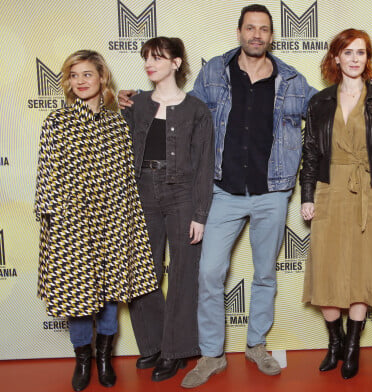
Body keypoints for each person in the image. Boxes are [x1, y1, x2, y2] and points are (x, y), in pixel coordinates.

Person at [119, 4, 316, 388]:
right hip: (222, 190)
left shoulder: (292, 80)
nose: (256, 35)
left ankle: (257, 345)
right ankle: (211, 354)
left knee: (264, 275)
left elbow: (325, 107)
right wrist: (136, 97)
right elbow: (180, 107)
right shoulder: (214, 72)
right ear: (239, 32)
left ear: (271, 36)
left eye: (263, 29)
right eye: (249, 28)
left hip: (272, 192)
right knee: (208, 274)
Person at [34, 50, 158, 391]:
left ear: (101, 77)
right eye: (74, 76)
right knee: (77, 296)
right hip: (71, 223)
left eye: (87, 74)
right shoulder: (56, 123)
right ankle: (82, 360)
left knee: (109, 293)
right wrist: (52, 222)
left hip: (114, 219)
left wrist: (128, 220)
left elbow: (128, 174)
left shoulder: (118, 122)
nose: (81, 81)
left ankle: (104, 356)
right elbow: (47, 174)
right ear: (68, 82)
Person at [300, 28, 372, 380]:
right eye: (348, 52)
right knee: (327, 271)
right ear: (336, 57)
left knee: (362, 271)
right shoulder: (319, 102)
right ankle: (335, 343)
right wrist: (307, 195)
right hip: (330, 189)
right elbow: (310, 153)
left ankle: (354, 346)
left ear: (366, 59)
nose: (355, 58)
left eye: (361, 52)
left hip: (368, 193)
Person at [121, 37, 214, 382]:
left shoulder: (196, 110)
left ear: (176, 63)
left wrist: (200, 214)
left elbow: (205, 165)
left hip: (182, 195)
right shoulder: (135, 104)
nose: (149, 62)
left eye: (157, 57)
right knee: (143, 270)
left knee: (183, 273)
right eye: (146, 57)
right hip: (142, 191)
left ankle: (176, 350)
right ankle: (155, 345)